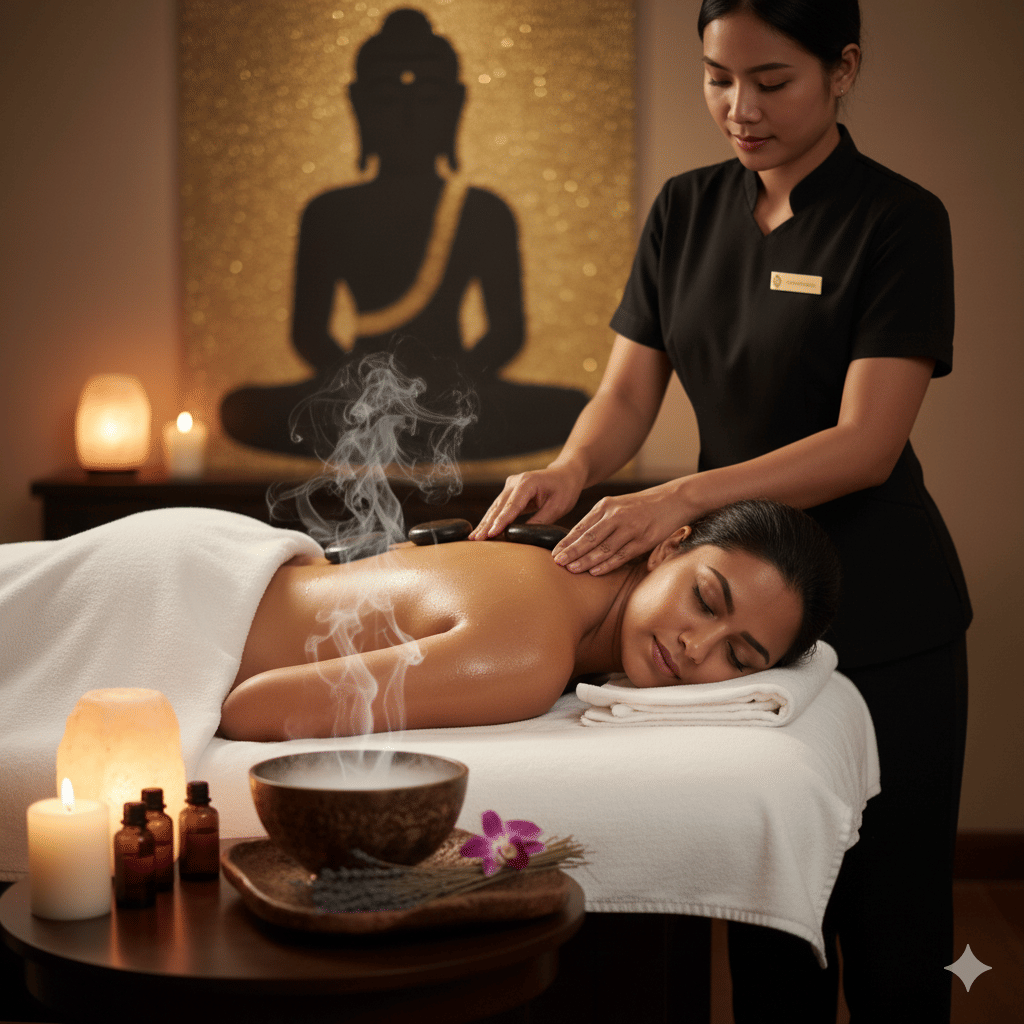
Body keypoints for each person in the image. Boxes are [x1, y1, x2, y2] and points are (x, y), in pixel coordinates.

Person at [471, 1, 971, 1020]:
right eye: (715, 78)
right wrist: (571, 467)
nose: (738, 109)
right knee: (768, 922)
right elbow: (625, 394)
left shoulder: (898, 219)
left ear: (843, 70)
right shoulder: (685, 208)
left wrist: (683, 495)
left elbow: (865, 443)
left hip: (884, 612)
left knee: (892, 927)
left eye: (770, 81)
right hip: (738, 622)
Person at [220, 8, 587, 461]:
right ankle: (409, 430)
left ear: (455, 105)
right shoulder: (328, 212)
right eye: (387, 98)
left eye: (428, 97)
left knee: (576, 411)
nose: (409, 115)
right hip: (358, 398)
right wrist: (365, 388)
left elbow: (506, 332)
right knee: (240, 411)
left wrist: (453, 386)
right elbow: (309, 334)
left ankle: (418, 428)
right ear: (359, 105)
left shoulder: (484, 212)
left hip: (454, 396)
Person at [219, 499, 839, 743]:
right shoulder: (533, 653)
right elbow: (249, 709)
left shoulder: (540, 565)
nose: (697, 646)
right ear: (667, 548)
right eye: (705, 600)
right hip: (194, 600)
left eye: (739, 658)